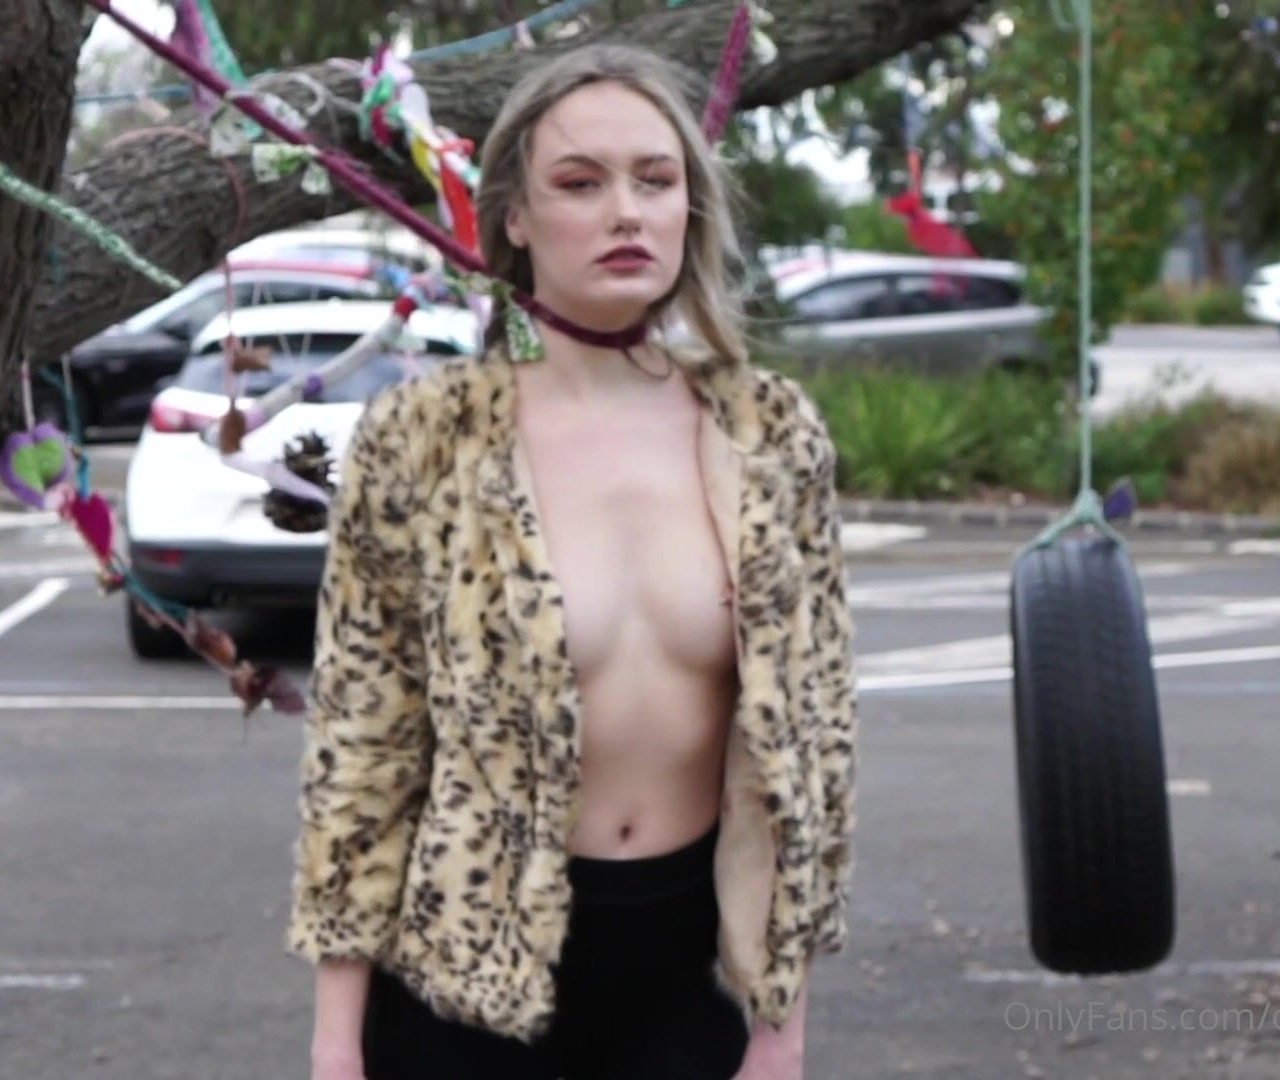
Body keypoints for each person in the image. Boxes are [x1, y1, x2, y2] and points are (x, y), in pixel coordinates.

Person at [291, 42, 859, 1080]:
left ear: (690, 206)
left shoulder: (770, 435)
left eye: (656, 179)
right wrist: (335, 1048)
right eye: (580, 182)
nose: (626, 212)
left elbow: (812, 750)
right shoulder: (424, 438)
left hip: (684, 989)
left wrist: (783, 1032)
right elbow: (362, 750)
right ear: (514, 215)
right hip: (461, 997)